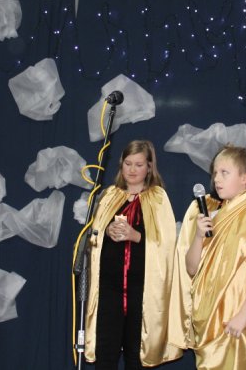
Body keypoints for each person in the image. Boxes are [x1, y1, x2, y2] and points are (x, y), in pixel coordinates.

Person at [170, 145, 246, 370]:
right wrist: (198, 236)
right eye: (215, 173)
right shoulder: (211, 216)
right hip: (207, 318)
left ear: (245, 178)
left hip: (240, 317)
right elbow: (191, 269)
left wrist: (243, 315)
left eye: (224, 173)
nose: (216, 179)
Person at [84, 140, 182, 369]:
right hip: (110, 288)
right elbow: (92, 241)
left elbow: (167, 245)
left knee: (135, 355)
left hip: (142, 290)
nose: (132, 169)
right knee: (106, 353)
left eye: (139, 164)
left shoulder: (158, 198)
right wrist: (106, 231)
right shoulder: (109, 196)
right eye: (128, 163)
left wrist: (135, 235)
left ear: (149, 167)